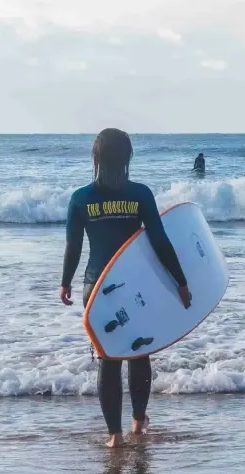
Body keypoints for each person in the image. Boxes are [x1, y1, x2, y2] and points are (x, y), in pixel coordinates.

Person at [60, 128, 192, 448]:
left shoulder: (80, 199)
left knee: (108, 357)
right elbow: (160, 242)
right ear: (127, 157)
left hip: (96, 286)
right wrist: (181, 281)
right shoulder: (140, 194)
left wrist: (65, 282)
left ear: (96, 157)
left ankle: (114, 436)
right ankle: (138, 422)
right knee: (139, 351)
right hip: (134, 285)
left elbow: (73, 246)